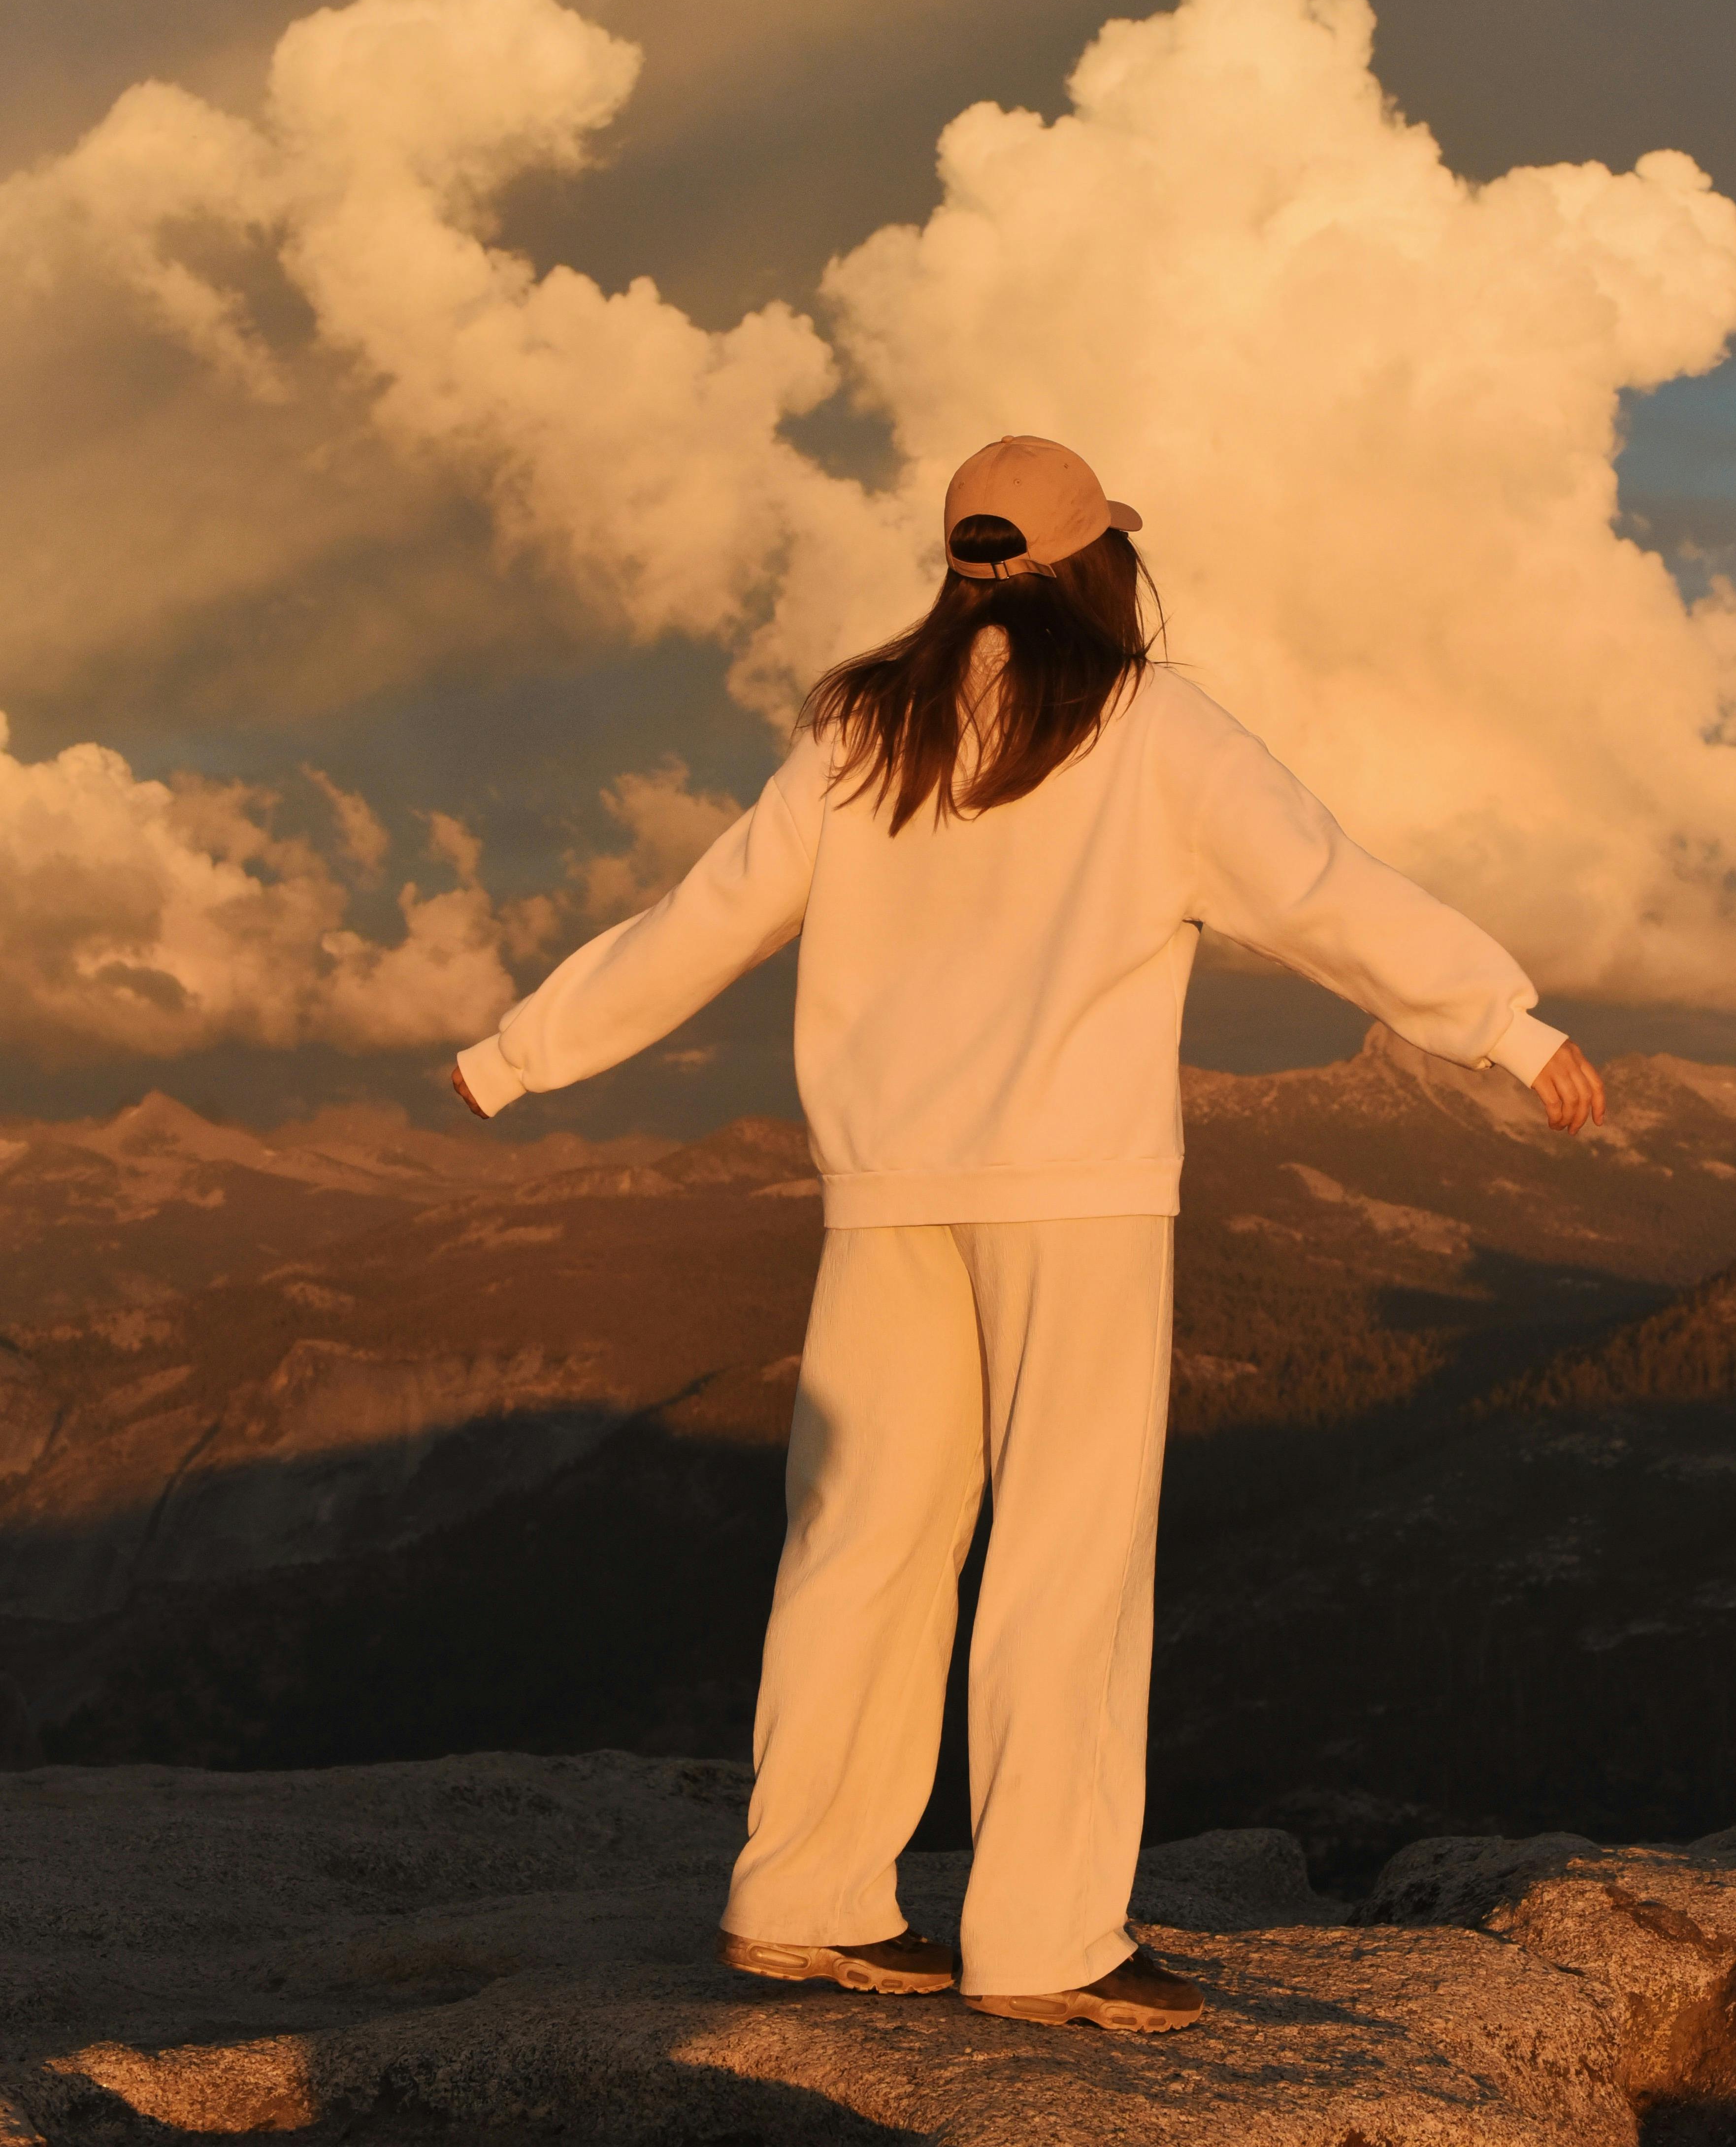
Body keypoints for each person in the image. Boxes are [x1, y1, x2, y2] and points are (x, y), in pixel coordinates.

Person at [453, 433, 1604, 2034]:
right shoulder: (1149, 729)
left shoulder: (868, 730)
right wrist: (1508, 1027)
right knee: (1064, 1556)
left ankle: (803, 1895)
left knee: (861, 1539)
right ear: (1098, 565)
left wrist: (521, 1054)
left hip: (888, 1195)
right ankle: (1045, 1938)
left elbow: (703, 919)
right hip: (1075, 1192)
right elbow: (1325, 890)